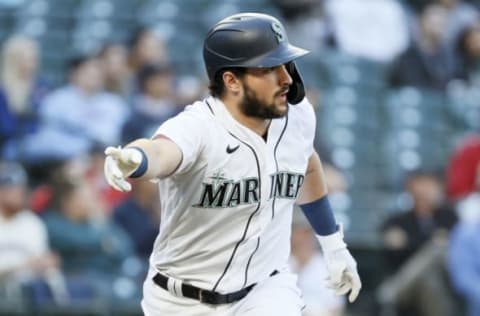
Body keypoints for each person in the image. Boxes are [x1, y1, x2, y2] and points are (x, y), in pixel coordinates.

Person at [104, 13, 361, 315]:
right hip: (182, 300)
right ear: (231, 80)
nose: (287, 79)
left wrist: (333, 246)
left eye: (285, 64)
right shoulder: (198, 126)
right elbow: (161, 152)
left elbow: (307, 164)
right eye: (269, 68)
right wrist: (136, 159)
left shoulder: (297, 115)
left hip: (264, 290)